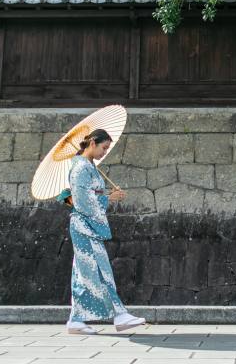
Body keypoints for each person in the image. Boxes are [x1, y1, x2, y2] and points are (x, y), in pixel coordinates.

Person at [62, 128, 146, 335]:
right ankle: (119, 314)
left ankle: (76, 319)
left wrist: (108, 195)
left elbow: (89, 195)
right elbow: (82, 201)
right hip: (85, 226)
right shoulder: (81, 168)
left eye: (107, 149)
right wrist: (108, 198)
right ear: (92, 143)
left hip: (85, 226)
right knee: (99, 270)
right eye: (104, 148)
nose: (105, 152)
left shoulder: (88, 166)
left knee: (83, 273)